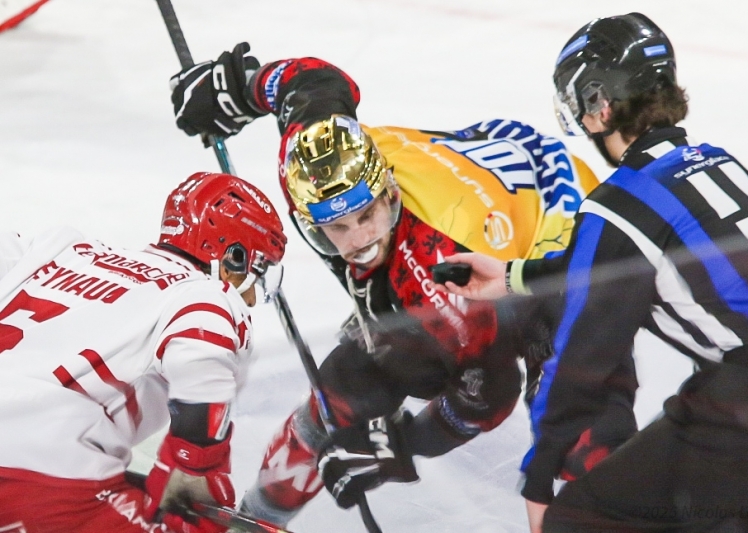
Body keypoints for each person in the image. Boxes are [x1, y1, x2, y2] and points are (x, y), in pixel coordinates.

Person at [167, 48, 639, 527]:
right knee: (343, 395)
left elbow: (489, 391)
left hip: (564, 240)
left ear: (387, 191)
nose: (359, 241)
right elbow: (311, 81)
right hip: (487, 173)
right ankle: (253, 522)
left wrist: (400, 445)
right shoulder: (321, 156)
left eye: (367, 215)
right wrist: (242, 88)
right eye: (335, 228)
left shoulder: (442, 271)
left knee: (577, 431)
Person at [441, 12, 748, 533]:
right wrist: (514, 276)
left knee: (579, 519)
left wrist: (540, 478)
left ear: (600, 104)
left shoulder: (623, 202)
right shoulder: (716, 163)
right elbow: (623, 262)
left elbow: (583, 359)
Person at [0, 172, 287, 533]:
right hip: (44, 469)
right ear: (232, 257)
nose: (252, 298)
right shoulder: (204, 294)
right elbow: (203, 362)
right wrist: (196, 466)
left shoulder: (63, 248)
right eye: (258, 273)